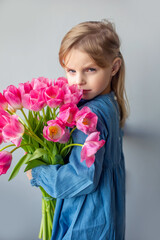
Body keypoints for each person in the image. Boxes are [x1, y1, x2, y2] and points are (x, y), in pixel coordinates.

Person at [27, 20, 129, 240]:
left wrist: (38, 174)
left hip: (85, 222)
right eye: (71, 70)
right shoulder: (110, 102)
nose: (78, 80)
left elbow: (82, 177)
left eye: (90, 69)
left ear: (114, 67)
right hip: (109, 215)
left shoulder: (87, 116)